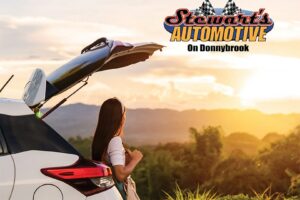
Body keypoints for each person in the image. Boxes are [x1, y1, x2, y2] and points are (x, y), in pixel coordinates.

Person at [92, 97, 143, 199]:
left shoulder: (100, 140)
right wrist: (135, 159)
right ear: (120, 117)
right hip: (118, 193)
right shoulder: (115, 140)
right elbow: (120, 175)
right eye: (124, 114)